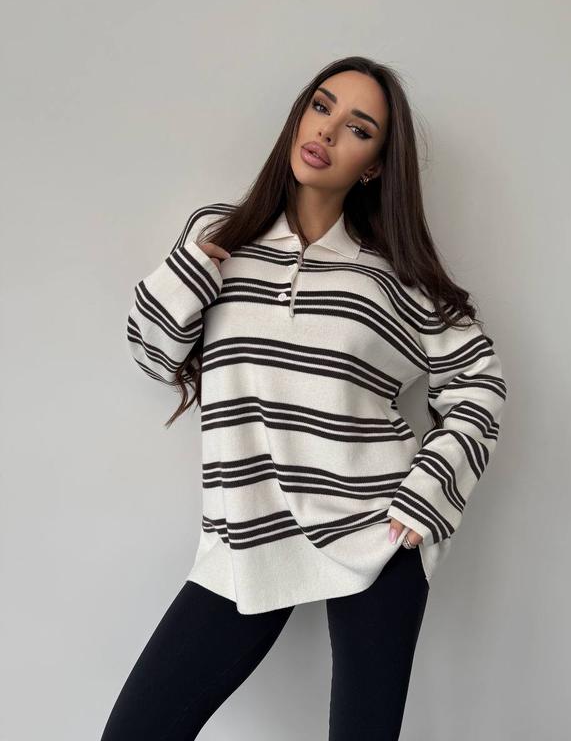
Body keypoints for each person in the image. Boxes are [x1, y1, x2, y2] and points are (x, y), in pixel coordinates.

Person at [101, 55, 508, 739]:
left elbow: (479, 382)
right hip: (247, 532)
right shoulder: (220, 235)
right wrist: (193, 271)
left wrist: (428, 494)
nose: (327, 131)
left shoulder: (392, 278)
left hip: (378, 533)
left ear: (374, 166)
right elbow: (153, 354)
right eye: (321, 107)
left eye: (359, 128)